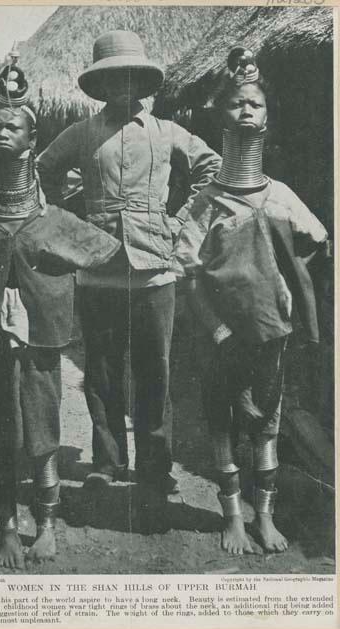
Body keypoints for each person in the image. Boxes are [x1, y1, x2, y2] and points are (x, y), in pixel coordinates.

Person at [0, 56, 120, 569]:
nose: (1, 132)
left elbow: (102, 257)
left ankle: (48, 527)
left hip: (40, 349)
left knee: (42, 433)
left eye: (12, 125)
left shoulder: (54, 223)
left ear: (32, 140)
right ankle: (8, 529)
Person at [36, 30, 222, 502]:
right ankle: (106, 462)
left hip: (156, 269)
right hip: (97, 272)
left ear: (144, 82)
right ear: (100, 85)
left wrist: (179, 220)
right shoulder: (81, 134)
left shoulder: (167, 132)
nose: (123, 86)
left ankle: (155, 466)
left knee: (154, 370)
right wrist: (69, 225)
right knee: (100, 370)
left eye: (132, 77)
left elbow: (212, 170)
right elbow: (41, 172)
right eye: (113, 78)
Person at [173, 47, 328, 554]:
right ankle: (233, 517)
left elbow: (315, 243)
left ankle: (265, 516)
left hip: (270, 334)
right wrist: (216, 328)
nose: (246, 111)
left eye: (256, 105)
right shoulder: (205, 202)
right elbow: (185, 267)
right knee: (222, 419)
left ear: (267, 116)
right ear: (222, 114)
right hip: (219, 334)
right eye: (238, 103)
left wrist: (290, 295)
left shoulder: (280, 196)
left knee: (266, 422)